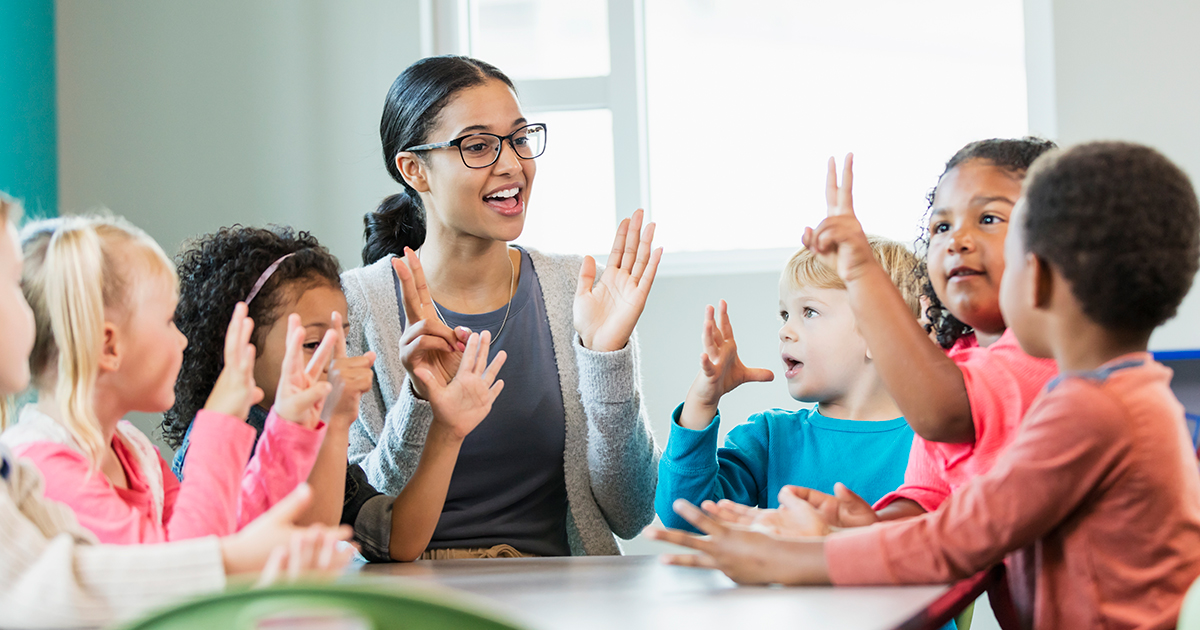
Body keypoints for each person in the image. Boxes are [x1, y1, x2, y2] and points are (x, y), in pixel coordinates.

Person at [650, 141, 1200, 630]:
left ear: (1037, 276)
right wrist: (862, 528)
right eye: (942, 227)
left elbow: (959, 538)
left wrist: (787, 561)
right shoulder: (1117, 397)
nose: (961, 248)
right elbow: (945, 509)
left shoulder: (1091, 412)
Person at [345, 55, 661, 558]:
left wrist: (608, 362)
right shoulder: (356, 307)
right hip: (416, 602)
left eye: (518, 138)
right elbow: (360, 527)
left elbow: (631, 512)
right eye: (478, 146)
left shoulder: (573, 291)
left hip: (563, 599)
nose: (512, 164)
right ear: (414, 170)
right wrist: (420, 403)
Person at [0, 195, 351, 628]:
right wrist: (219, 424)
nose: (182, 340)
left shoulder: (132, 451)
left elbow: (226, 538)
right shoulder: (44, 463)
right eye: (168, 320)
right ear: (109, 346)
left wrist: (289, 427)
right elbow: (177, 588)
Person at [655, 238, 922, 533]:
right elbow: (683, 515)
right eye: (785, 315)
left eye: (809, 311)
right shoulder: (770, 438)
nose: (784, 330)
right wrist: (702, 402)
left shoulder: (932, 442)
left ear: (878, 334)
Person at [163, 226, 386, 555]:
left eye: (343, 339)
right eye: (313, 343)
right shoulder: (218, 443)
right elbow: (300, 551)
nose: (336, 359)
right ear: (243, 345)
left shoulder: (314, 427)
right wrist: (336, 423)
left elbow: (395, 537)